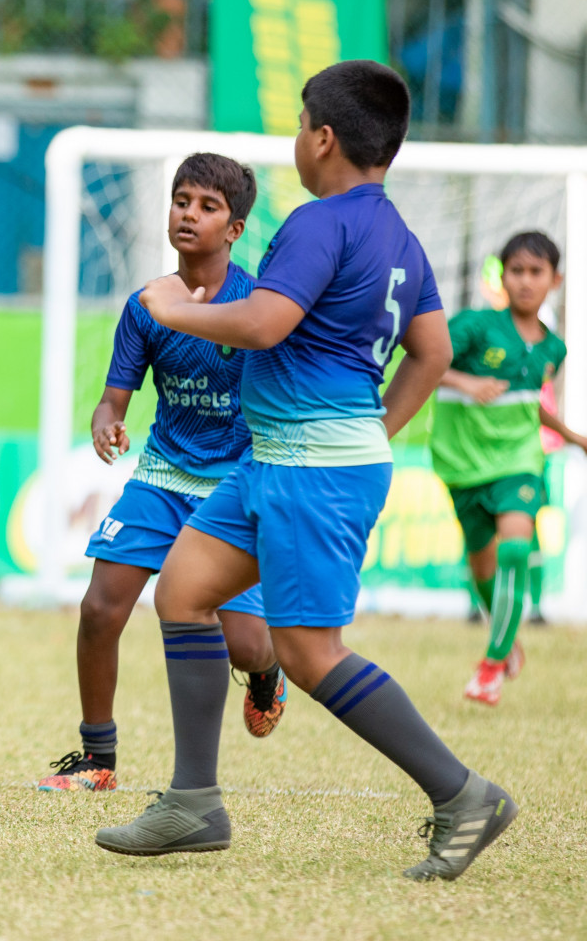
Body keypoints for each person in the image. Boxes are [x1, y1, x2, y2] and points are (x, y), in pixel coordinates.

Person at [94, 60, 517, 882]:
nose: (295, 137)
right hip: (285, 463)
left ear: (322, 138)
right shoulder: (399, 235)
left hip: (312, 471)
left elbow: (263, 320)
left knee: (309, 652)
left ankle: (463, 794)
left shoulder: (320, 222)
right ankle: (194, 803)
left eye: (298, 123)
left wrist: (169, 305)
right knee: (181, 594)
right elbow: (431, 353)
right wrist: (374, 430)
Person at [37, 153, 286, 795]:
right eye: (181, 201)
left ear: (234, 229)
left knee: (246, 645)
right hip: (162, 477)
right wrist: (104, 425)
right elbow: (112, 401)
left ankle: (266, 675)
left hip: (234, 491)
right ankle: (97, 759)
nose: (188, 215)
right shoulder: (147, 304)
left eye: (207, 207)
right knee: (99, 609)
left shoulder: (260, 304)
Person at [430, 231, 586, 705]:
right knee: (483, 568)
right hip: (463, 462)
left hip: (519, 460)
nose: (525, 281)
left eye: (536, 272)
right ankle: (507, 637)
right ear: (504, 275)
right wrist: (465, 381)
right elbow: (428, 361)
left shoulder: (553, 348)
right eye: (517, 270)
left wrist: (573, 436)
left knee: (515, 550)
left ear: (554, 280)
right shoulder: (475, 326)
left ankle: (491, 665)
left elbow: (526, 403)